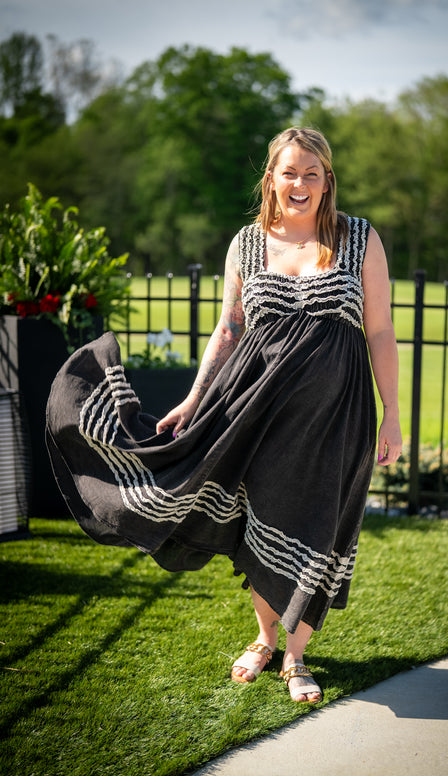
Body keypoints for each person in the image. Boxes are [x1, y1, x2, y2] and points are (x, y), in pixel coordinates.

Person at [46, 127, 402, 705]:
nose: (301, 183)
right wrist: (194, 397)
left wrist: (392, 414)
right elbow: (230, 327)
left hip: (337, 413)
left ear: (327, 180)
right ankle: (265, 639)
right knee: (259, 514)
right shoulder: (248, 242)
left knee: (319, 520)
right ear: (272, 178)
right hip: (253, 407)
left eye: (312, 173)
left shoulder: (359, 238)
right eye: (290, 172)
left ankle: (295, 656)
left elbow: (380, 330)